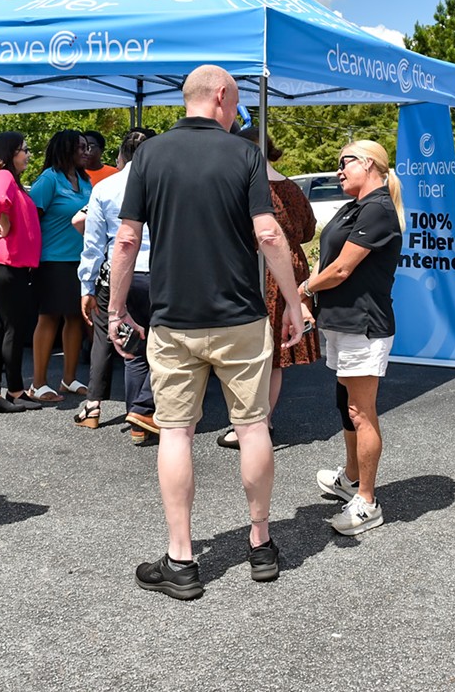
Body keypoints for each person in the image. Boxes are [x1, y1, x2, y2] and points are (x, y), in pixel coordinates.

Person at [110, 65, 304, 600]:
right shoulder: (245, 154)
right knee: (253, 425)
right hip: (241, 318)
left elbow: (126, 241)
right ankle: (261, 545)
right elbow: (267, 232)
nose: (237, 109)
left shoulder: (149, 154)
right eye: (236, 100)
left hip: (173, 322)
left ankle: (181, 559)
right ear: (220, 96)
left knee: (174, 432)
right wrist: (292, 303)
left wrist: (116, 308)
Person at [307, 140, 404, 536]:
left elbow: (342, 269)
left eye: (344, 163)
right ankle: (350, 478)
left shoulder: (378, 209)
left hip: (364, 325)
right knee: (344, 402)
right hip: (341, 322)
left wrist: (303, 289)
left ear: (368, 163)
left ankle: (367, 500)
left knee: (360, 412)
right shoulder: (356, 207)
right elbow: (328, 259)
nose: (338, 171)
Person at [215, 127, 319, 450]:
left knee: (255, 352)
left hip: (261, 270)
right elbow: (308, 230)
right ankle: (265, 420)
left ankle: (252, 423)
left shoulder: (248, 187)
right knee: (275, 356)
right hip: (291, 269)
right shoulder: (291, 187)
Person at [77, 129, 156, 439]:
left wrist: (86, 285)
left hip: (118, 274)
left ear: (121, 154)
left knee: (119, 343)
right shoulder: (163, 184)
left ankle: (95, 408)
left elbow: (92, 241)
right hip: (160, 274)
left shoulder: (105, 187)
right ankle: (143, 410)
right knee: (161, 344)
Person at [0, 132, 42, 413]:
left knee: (2, 327)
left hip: (5, 263)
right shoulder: (2, 175)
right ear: (10, 152)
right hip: (4, 262)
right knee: (14, 327)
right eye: (24, 150)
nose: (28, 154)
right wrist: (3, 221)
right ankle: (8, 391)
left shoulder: (8, 178)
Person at [27, 130, 93, 401]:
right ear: (65, 149)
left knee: (76, 317)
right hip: (53, 260)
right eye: (80, 147)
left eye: (87, 147)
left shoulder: (83, 180)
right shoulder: (49, 179)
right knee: (49, 317)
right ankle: (38, 383)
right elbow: (31, 219)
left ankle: (69, 378)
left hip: (81, 260)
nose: (85, 151)